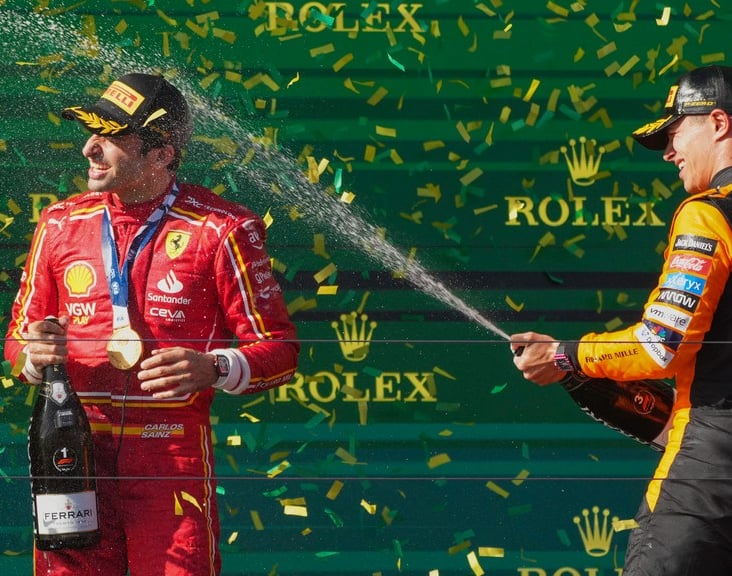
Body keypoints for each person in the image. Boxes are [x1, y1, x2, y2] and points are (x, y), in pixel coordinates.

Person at [5, 72, 299, 576]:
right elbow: (16, 341)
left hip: (169, 459)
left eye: (111, 137)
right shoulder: (58, 224)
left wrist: (215, 366)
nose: (89, 150)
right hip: (72, 454)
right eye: (90, 133)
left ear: (161, 154)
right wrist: (34, 354)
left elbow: (279, 350)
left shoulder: (223, 228)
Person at [510, 64, 732, 575]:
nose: (671, 152)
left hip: (707, 483)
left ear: (718, 123)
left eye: (676, 132)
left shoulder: (708, 213)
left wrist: (564, 355)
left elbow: (660, 346)